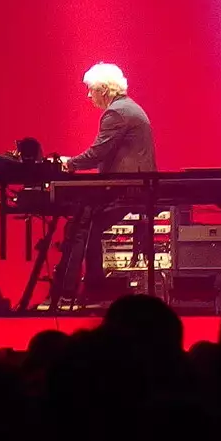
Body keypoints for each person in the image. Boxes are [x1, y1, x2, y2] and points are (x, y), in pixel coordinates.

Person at [55, 64, 156, 306]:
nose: (88, 96)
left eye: (90, 90)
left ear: (103, 89)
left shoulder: (116, 113)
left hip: (127, 190)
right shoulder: (129, 108)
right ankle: (93, 286)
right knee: (88, 222)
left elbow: (98, 152)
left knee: (81, 224)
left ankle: (68, 292)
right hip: (134, 187)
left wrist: (68, 164)